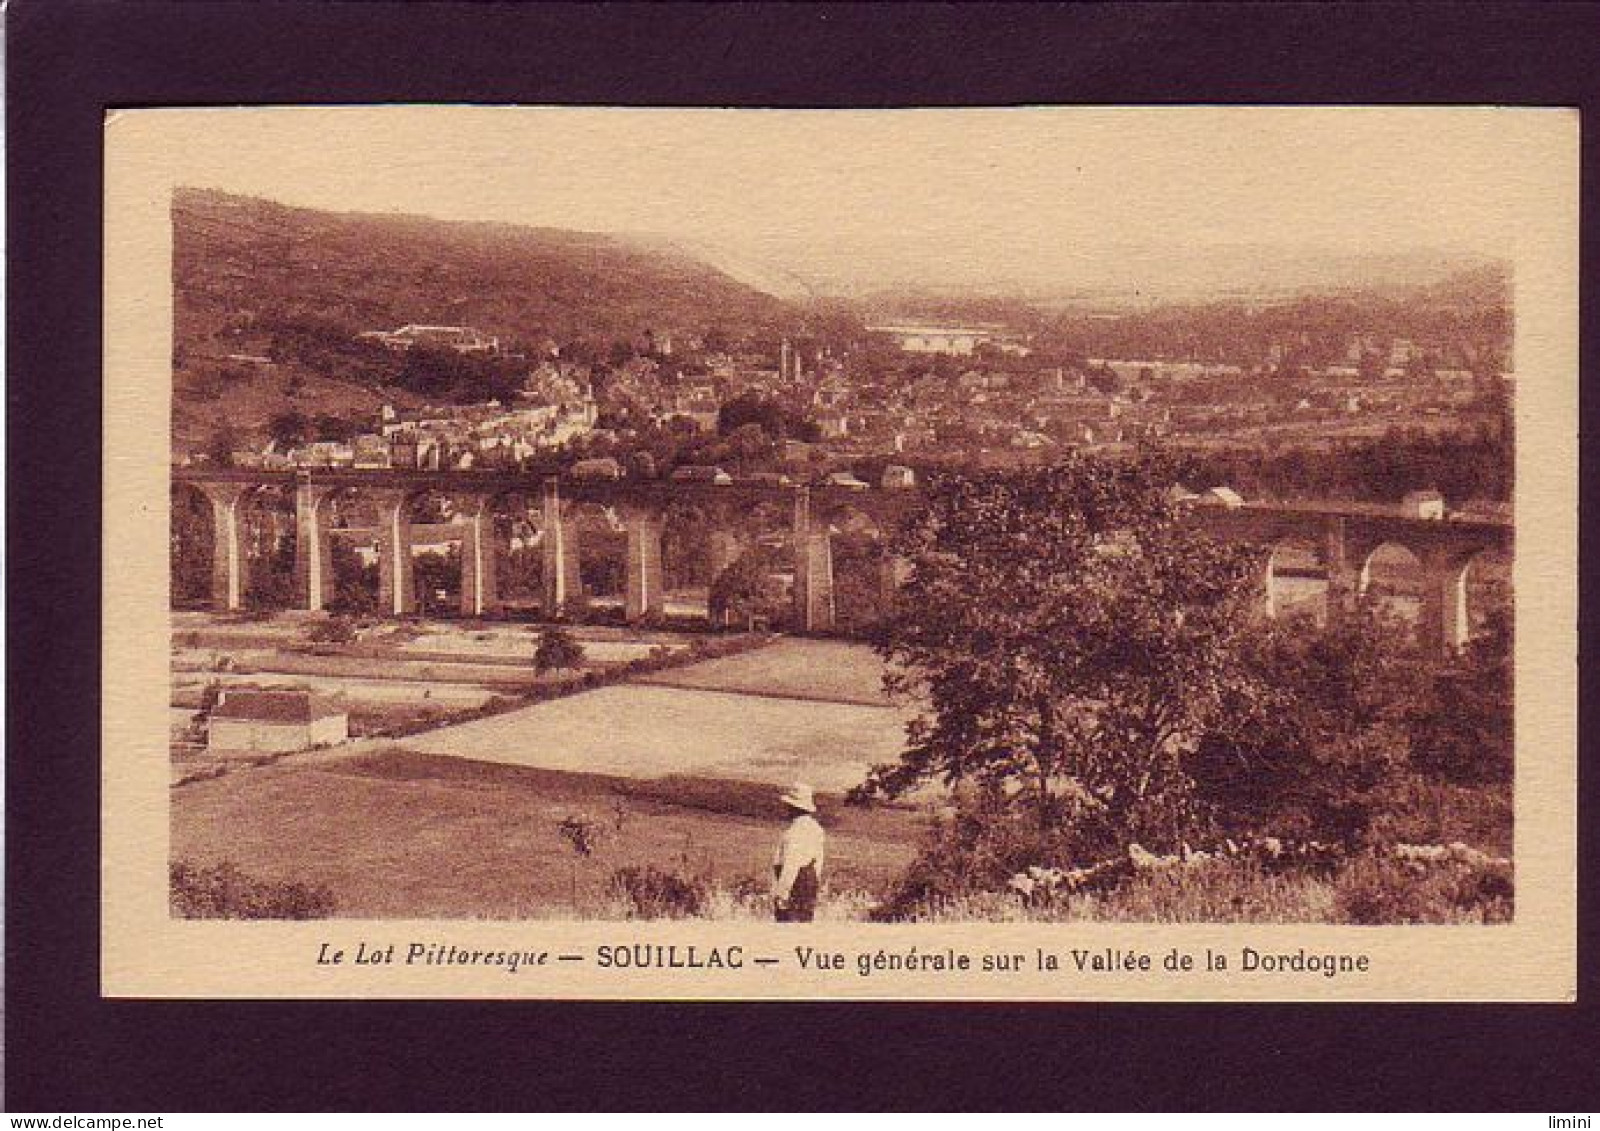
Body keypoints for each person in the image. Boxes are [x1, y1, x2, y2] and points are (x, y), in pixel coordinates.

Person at [771, 782, 825, 922]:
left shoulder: (794, 832)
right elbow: (818, 863)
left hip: (795, 884)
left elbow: (791, 865)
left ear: (793, 807)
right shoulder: (816, 829)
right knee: (804, 924)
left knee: (787, 925)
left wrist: (782, 893)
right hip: (810, 882)